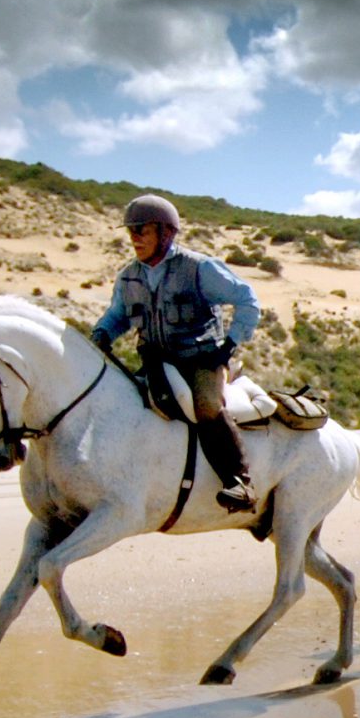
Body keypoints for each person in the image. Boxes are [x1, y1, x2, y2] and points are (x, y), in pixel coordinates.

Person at [91, 194, 261, 513]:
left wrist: (227, 347)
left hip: (202, 360)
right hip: (155, 361)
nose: (135, 237)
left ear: (166, 232)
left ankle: (240, 483)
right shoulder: (128, 277)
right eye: (131, 231)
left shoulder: (199, 268)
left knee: (208, 406)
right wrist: (101, 333)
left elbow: (247, 300)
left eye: (143, 229)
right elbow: (117, 315)